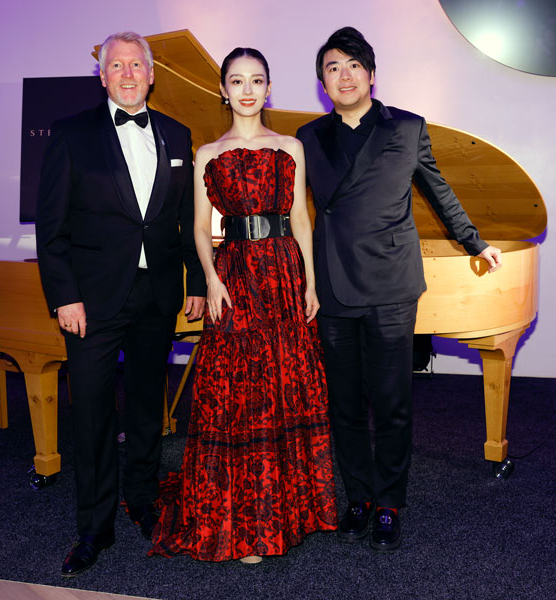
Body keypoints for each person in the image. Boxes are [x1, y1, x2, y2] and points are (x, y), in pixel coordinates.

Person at [296, 27, 503, 552]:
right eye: (332, 68)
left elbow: (438, 189)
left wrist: (474, 243)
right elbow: (293, 211)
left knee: (391, 403)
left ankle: (389, 502)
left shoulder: (407, 128)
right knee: (342, 403)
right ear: (323, 82)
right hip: (334, 288)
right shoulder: (307, 137)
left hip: (390, 285)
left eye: (352, 65)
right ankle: (358, 497)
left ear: (371, 73)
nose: (343, 75)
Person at [149, 47, 337, 562]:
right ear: (223, 90)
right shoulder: (206, 154)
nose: (247, 89)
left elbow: (301, 218)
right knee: (241, 394)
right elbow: (199, 230)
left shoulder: (291, 147)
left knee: (285, 386)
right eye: (237, 80)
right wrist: (209, 278)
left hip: (282, 273)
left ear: (269, 88)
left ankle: (289, 512)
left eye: (257, 80)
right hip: (233, 276)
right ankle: (247, 523)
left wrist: (312, 281)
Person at [35, 31, 206, 577]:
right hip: (92, 301)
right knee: (91, 413)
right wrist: (65, 296)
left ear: (152, 75)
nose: (128, 73)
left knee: (148, 409)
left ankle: (145, 501)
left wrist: (198, 283)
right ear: (102, 75)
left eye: (137, 64)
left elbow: (185, 226)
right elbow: (51, 229)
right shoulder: (69, 135)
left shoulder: (179, 137)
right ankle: (94, 524)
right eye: (117, 65)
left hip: (156, 295)